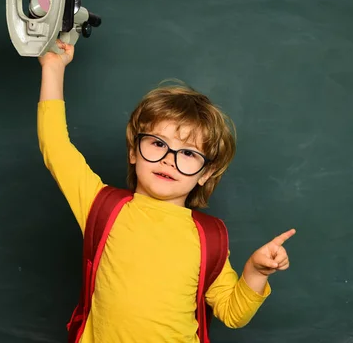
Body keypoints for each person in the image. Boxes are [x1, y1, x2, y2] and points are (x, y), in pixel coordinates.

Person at [37, 40, 296, 342]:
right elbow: (55, 147)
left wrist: (255, 272)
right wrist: (53, 68)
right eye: (158, 144)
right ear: (134, 151)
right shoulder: (100, 205)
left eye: (188, 154)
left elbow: (232, 313)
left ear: (206, 173)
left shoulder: (207, 238)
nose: (168, 160)